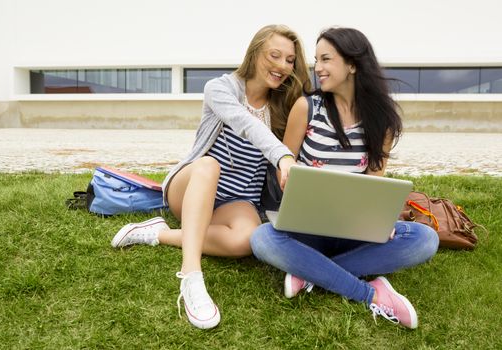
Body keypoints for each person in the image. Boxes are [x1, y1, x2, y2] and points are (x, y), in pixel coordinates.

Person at [110, 24, 311, 329]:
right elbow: (245, 124)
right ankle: (191, 277)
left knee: (248, 240)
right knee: (209, 166)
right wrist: (282, 156)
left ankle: (157, 233)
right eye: (275, 55)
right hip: (192, 185)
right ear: (255, 52)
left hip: (237, 199)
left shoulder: (283, 105)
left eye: (290, 60)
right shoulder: (220, 88)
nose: (283, 66)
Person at [249, 27, 439, 329]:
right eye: (316, 60)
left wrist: (380, 218)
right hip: (305, 229)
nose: (317, 68)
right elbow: (282, 163)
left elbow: (375, 183)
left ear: (352, 64)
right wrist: (286, 177)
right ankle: (371, 294)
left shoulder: (381, 121)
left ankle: (309, 272)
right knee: (261, 239)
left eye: (326, 59)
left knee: (425, 239)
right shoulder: (307, 107)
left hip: (354, 231)